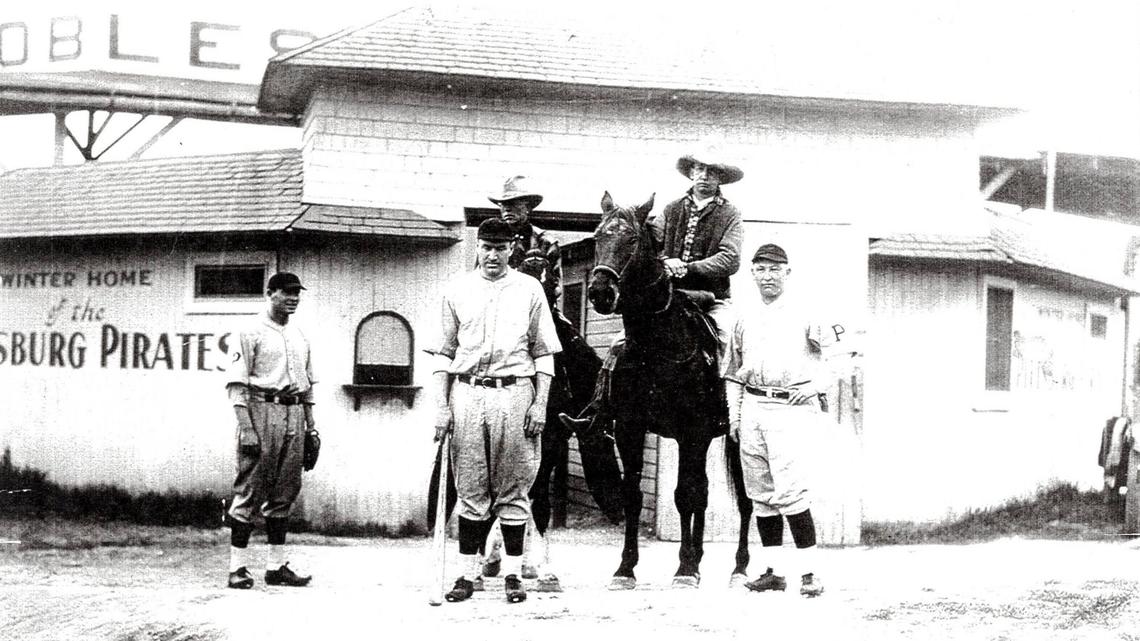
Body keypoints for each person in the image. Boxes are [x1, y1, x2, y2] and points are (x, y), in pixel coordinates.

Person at [427, 217, 562, 604]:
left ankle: (514, 575)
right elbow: (442, 353)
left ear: (512, 250)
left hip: (515, 393)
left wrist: (541, 403)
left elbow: (544, 354)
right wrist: (440, 406)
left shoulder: (529, 288)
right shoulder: (457, 289)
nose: (493, 255)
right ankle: (467, 576)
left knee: (514, 485)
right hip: (467, 393)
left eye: (500, 248)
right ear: (477, 248)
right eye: (486, 247)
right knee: (470, 485)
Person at [562, 149, 744, 434]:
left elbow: (730, 259)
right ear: (691, 173)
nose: (704, 176)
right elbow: (649, 243)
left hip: (711, 299)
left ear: (720, 178)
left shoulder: (729, 214)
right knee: (617, 345)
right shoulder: (672, 209)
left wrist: (688, 267)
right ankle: (599, 410)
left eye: (712, 171)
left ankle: (725, 414)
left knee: (725, 339)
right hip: (668, 297)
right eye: (699, 169)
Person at [724, 243, 840, 598]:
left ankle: (809, 574)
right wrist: (734, 415)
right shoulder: (744, 316)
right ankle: (773, 572)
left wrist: (817, 385)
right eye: (761, 269)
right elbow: (733, 373)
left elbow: (841, 356)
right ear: (753, 274)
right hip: (754, 408)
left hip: (790, 409)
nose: (768, 276)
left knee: (790, 491)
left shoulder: (807, 312)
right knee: (760, 494)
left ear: (787, 272)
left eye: (775, 269)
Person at [224, 272, 319, 590]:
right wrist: (246, 429)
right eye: (286, 292)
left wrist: (313, 429)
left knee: (285, 491)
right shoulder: (249, 330)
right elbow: (237, 386)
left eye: (297, 293)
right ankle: (237, 568)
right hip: (261, 409)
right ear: (270, 293)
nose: (293, 298)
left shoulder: (299, 334)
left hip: (294, 412)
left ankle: (276, 566)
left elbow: (307, 386)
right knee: (250, 489)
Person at [488, 174, 562, 299]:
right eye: (503, 204)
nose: (507, 209)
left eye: (513, 203)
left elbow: (556, 289)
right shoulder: (490, 241)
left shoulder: (545, 242)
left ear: (528, 207)